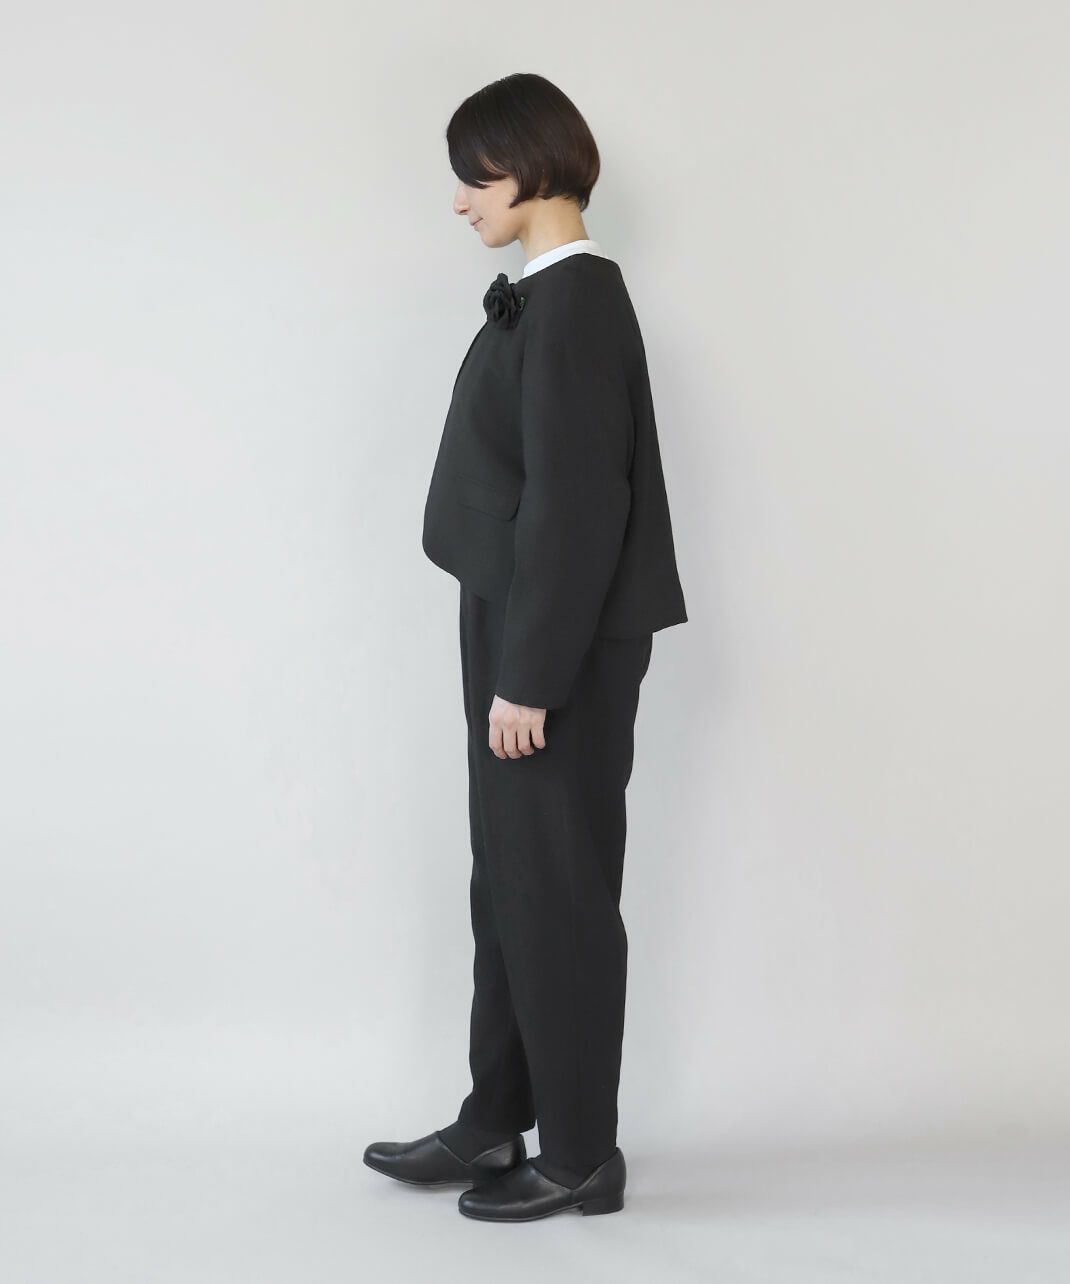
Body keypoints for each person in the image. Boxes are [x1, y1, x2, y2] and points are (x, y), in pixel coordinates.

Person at [364, 72, 687, 1222]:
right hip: (511, 620)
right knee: (505, 879)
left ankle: (581, 1153)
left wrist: (530, 678)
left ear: (527, 167)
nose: (459, 201)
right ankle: (494, 1118)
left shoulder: (579, 301)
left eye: (473, 176)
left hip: (555, 643)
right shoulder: (546, 298)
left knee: (555, 890)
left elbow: (577, 506)